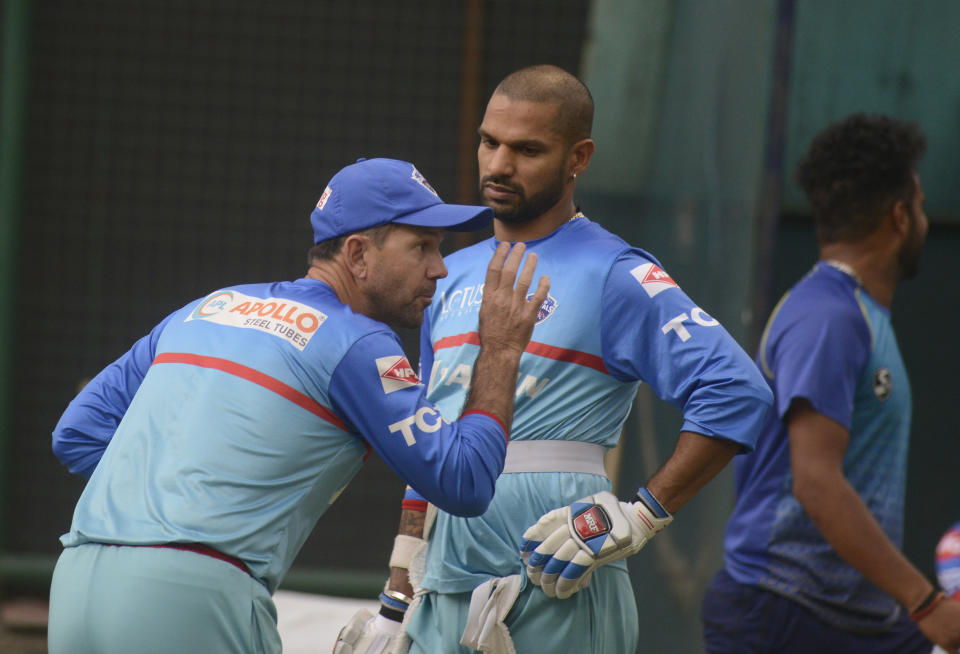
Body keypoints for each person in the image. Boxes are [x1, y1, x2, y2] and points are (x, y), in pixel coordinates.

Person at [334, 65, 772, 654]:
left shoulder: (615, 271)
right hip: (442, 590)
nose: (498, 165)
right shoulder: (449, 272)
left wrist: (641, 516)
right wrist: (396, 599)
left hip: (560, 581)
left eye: (527, 149)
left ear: (578, 157)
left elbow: (739, 392)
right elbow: (430, 445)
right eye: (489, 142)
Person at [46, 157, 551, 654]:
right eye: (421, 246)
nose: (439, 269)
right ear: (357, 255)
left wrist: (162, 511)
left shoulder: (206, 307)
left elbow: (77, 433)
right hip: (191, 595)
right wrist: (502, 348)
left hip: (77, 582)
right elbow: (463, 480)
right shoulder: (356, 342)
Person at [700, 114, 960, 653]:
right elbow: (815, 481)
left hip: (854, 619)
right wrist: (928, 603)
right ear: (899, 216)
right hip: (781, 613)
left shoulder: (857, 315)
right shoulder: (829, 317)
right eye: (920, 204)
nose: (926, 220)